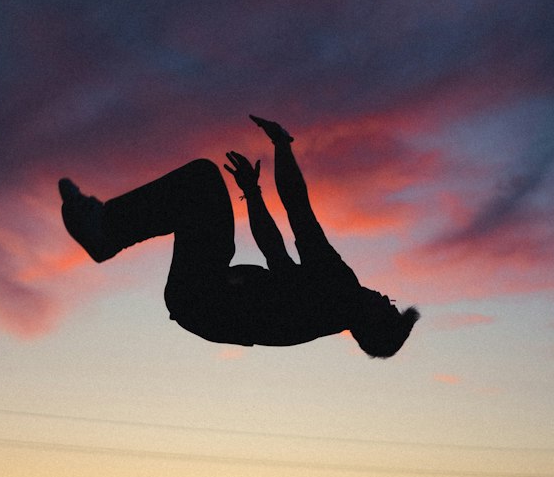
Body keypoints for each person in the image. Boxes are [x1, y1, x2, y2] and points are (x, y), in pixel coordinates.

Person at [58, 115, 419, 356]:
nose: (386, 297)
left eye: (388, 308)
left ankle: (106, 231)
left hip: (205, 296)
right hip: (201, 298)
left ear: (371, 323)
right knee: (199, 189)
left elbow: (298, 209)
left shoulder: (336, 295)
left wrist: (282, 145)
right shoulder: (331, 303)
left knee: (202, 181)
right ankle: (106, 230)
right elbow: (275, 252)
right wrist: (253, 192)